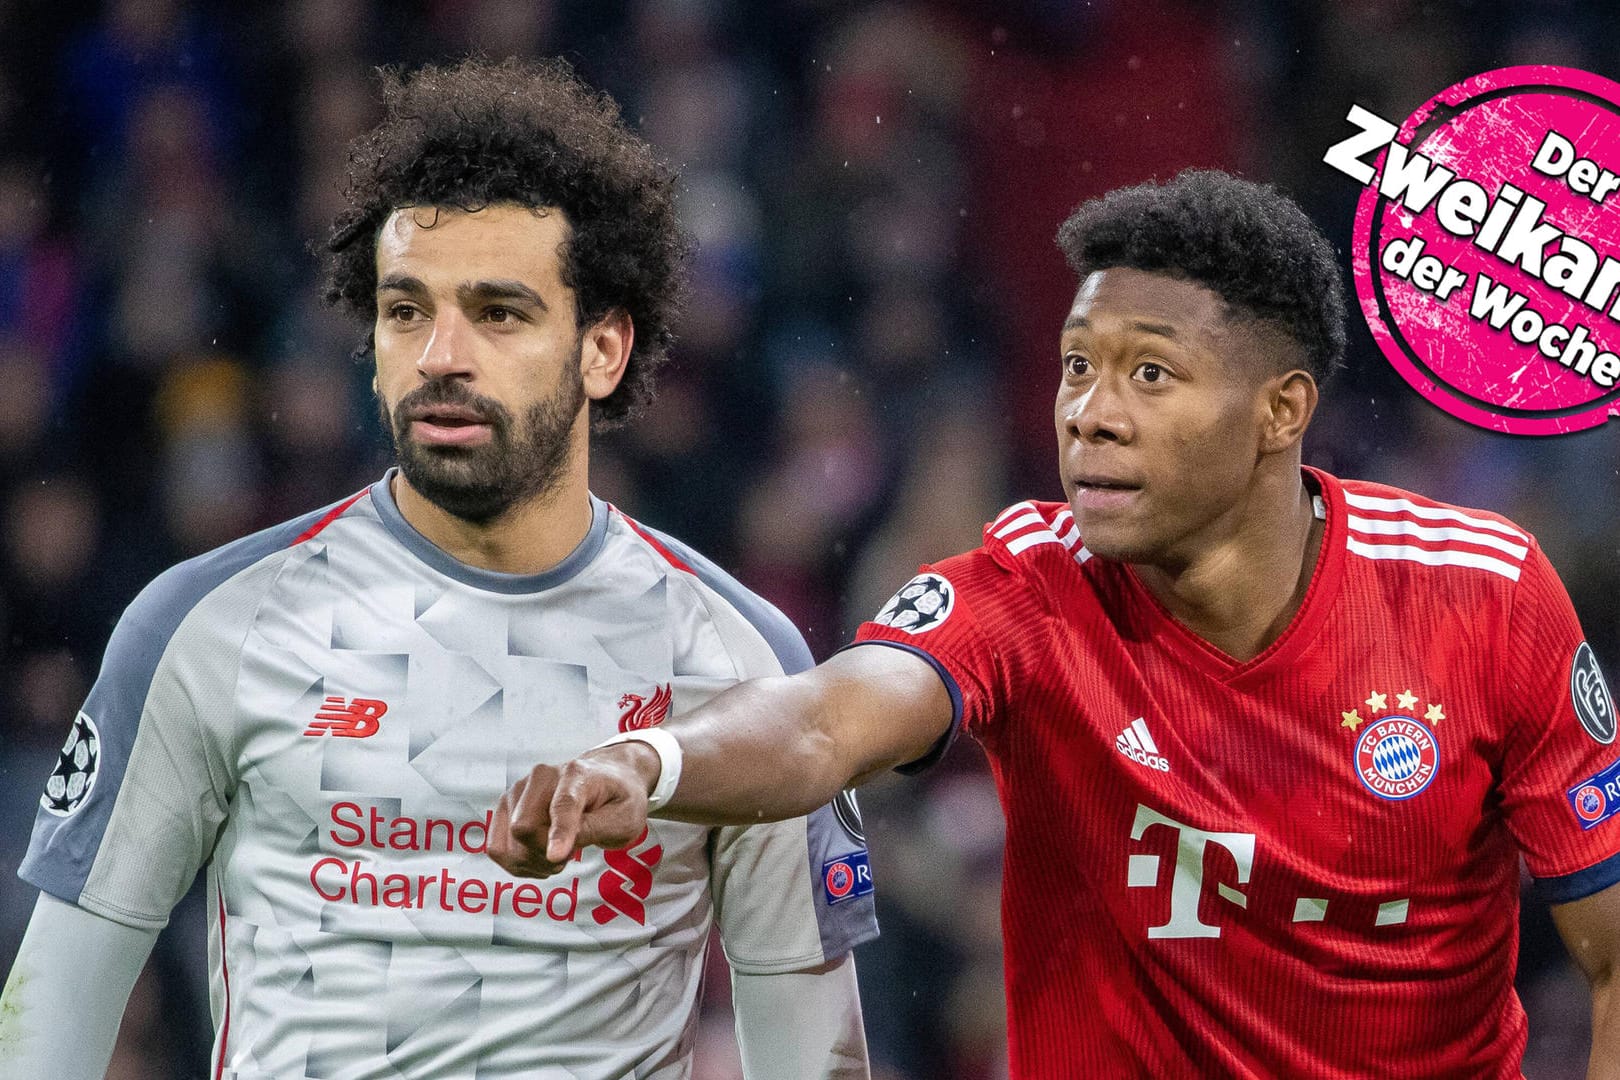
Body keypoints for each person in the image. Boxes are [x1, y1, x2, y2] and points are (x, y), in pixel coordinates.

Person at [487, 170, 1620, 1078]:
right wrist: (654, 759)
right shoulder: (1033, 581)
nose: (1091, 414)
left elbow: (1612, 957)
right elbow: (824, 724)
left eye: (1150, 375)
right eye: (1078, 367)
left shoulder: (1482, 597)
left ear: (1281, 412)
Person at [0, 57, 876, 1080]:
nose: (439, 355)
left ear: (603, 349)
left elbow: (816, 1058)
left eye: (498, 313)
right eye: (406, 310)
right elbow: (50, 1023)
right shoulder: (204, 624)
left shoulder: (746, 663)